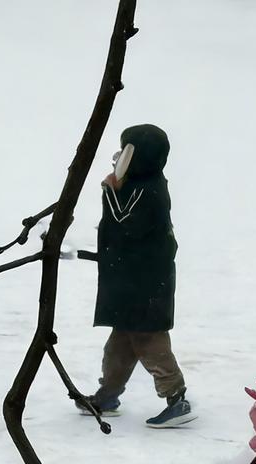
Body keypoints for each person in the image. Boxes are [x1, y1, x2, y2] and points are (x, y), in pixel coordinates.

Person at [77, 124, 194, 428]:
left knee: (149, 339)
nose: (117, 159)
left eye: (124, 152)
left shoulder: (150, 189)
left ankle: (176, 397)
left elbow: (125, 220)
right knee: (119, 344)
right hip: (129, 281)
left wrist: (110, 189)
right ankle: (108, 394)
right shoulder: (138, 185)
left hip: (145, 284)